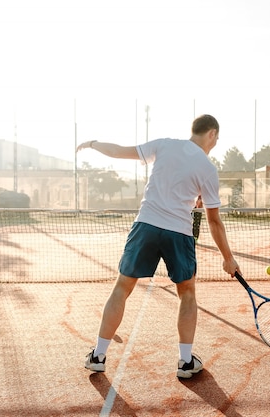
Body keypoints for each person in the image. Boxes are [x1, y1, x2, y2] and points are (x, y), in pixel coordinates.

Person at [78, 114, 240, 379]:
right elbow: (214, 221)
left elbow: (119, 152)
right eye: (217, 139)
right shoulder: (208, 168)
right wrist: (228, 259)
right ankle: (185, 362)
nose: (215, 144)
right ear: (211, 133)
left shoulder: (164, 145)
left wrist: (93, 143)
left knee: (122, 287)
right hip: (179, 233)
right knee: (187, 293)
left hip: (146, 225)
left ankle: (98, 355)